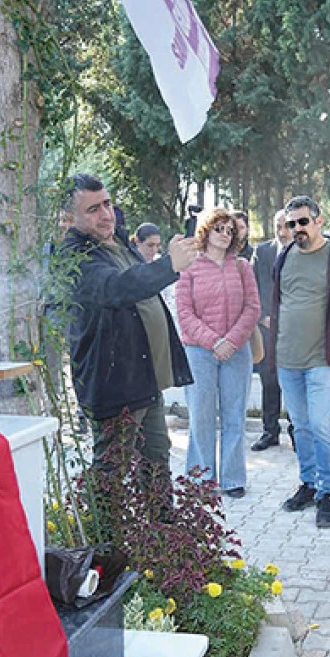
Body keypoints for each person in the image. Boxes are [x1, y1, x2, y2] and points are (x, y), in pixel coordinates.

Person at [60, 173, 198, 472]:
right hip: (115, 386)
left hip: (144, 380)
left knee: (157, 460)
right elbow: (116, 288)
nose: (106, 214)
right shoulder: (74, 256)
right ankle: (107, 522)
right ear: (70, 217)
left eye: (107, 204)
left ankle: (161, 520)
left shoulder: (121, 241)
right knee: (112, 473)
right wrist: (169, 265)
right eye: (93, 209)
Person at [268, 196, 330, 528]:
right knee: (302, 425)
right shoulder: (284, 258)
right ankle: (308, 483)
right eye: (291, 223)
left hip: (322, 358)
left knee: (322, 425)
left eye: (303, 222)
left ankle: (328, 492)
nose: (297, 228)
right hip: (286, 358)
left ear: (319, 221)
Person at [177, 208, 260, 498]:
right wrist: (214, 342)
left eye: (230, 230)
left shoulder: (242, 267)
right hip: (199, 352)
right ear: (206, 232)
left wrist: (232, 341)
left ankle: (233, 478)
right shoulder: (189, 268)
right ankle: (202, 479)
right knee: (201, 416)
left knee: (234, 415)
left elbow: (252, 308)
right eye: (219, 229)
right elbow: (184, 313)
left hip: (237, 352)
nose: (225, 235)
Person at [251, 209, 293, 451]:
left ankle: (296, 431)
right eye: (278, 226)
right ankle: (270, 431)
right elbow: (254, 286)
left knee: (294, 381)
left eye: (286, 226)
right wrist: (263, 316)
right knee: (269, 381)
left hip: (293, 329)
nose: (282, 231)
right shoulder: (263, 251)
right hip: (267, 327)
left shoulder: (302, 251)